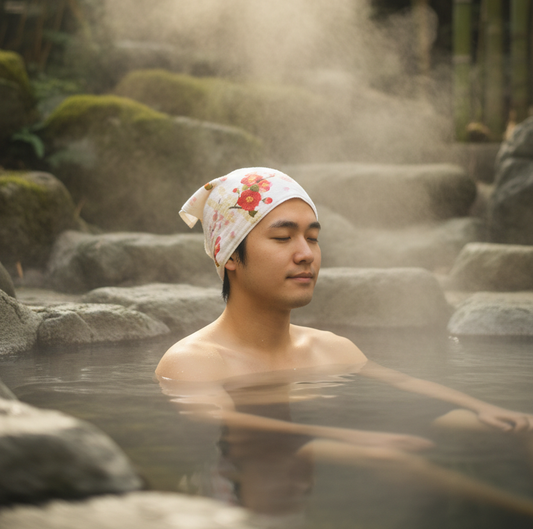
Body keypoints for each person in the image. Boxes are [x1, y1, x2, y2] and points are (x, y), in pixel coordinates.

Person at [156, 167, 533, 517]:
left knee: (517, 427)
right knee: (395, 462)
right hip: (259, 459)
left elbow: (403, 385)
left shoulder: (330, 348)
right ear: (230, 255)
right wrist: (348, 437)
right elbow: (225, 419)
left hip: (313, 439)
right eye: (283, 237)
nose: (306, 254)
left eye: (313, 238)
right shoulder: (195, 361)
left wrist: (481, 406)